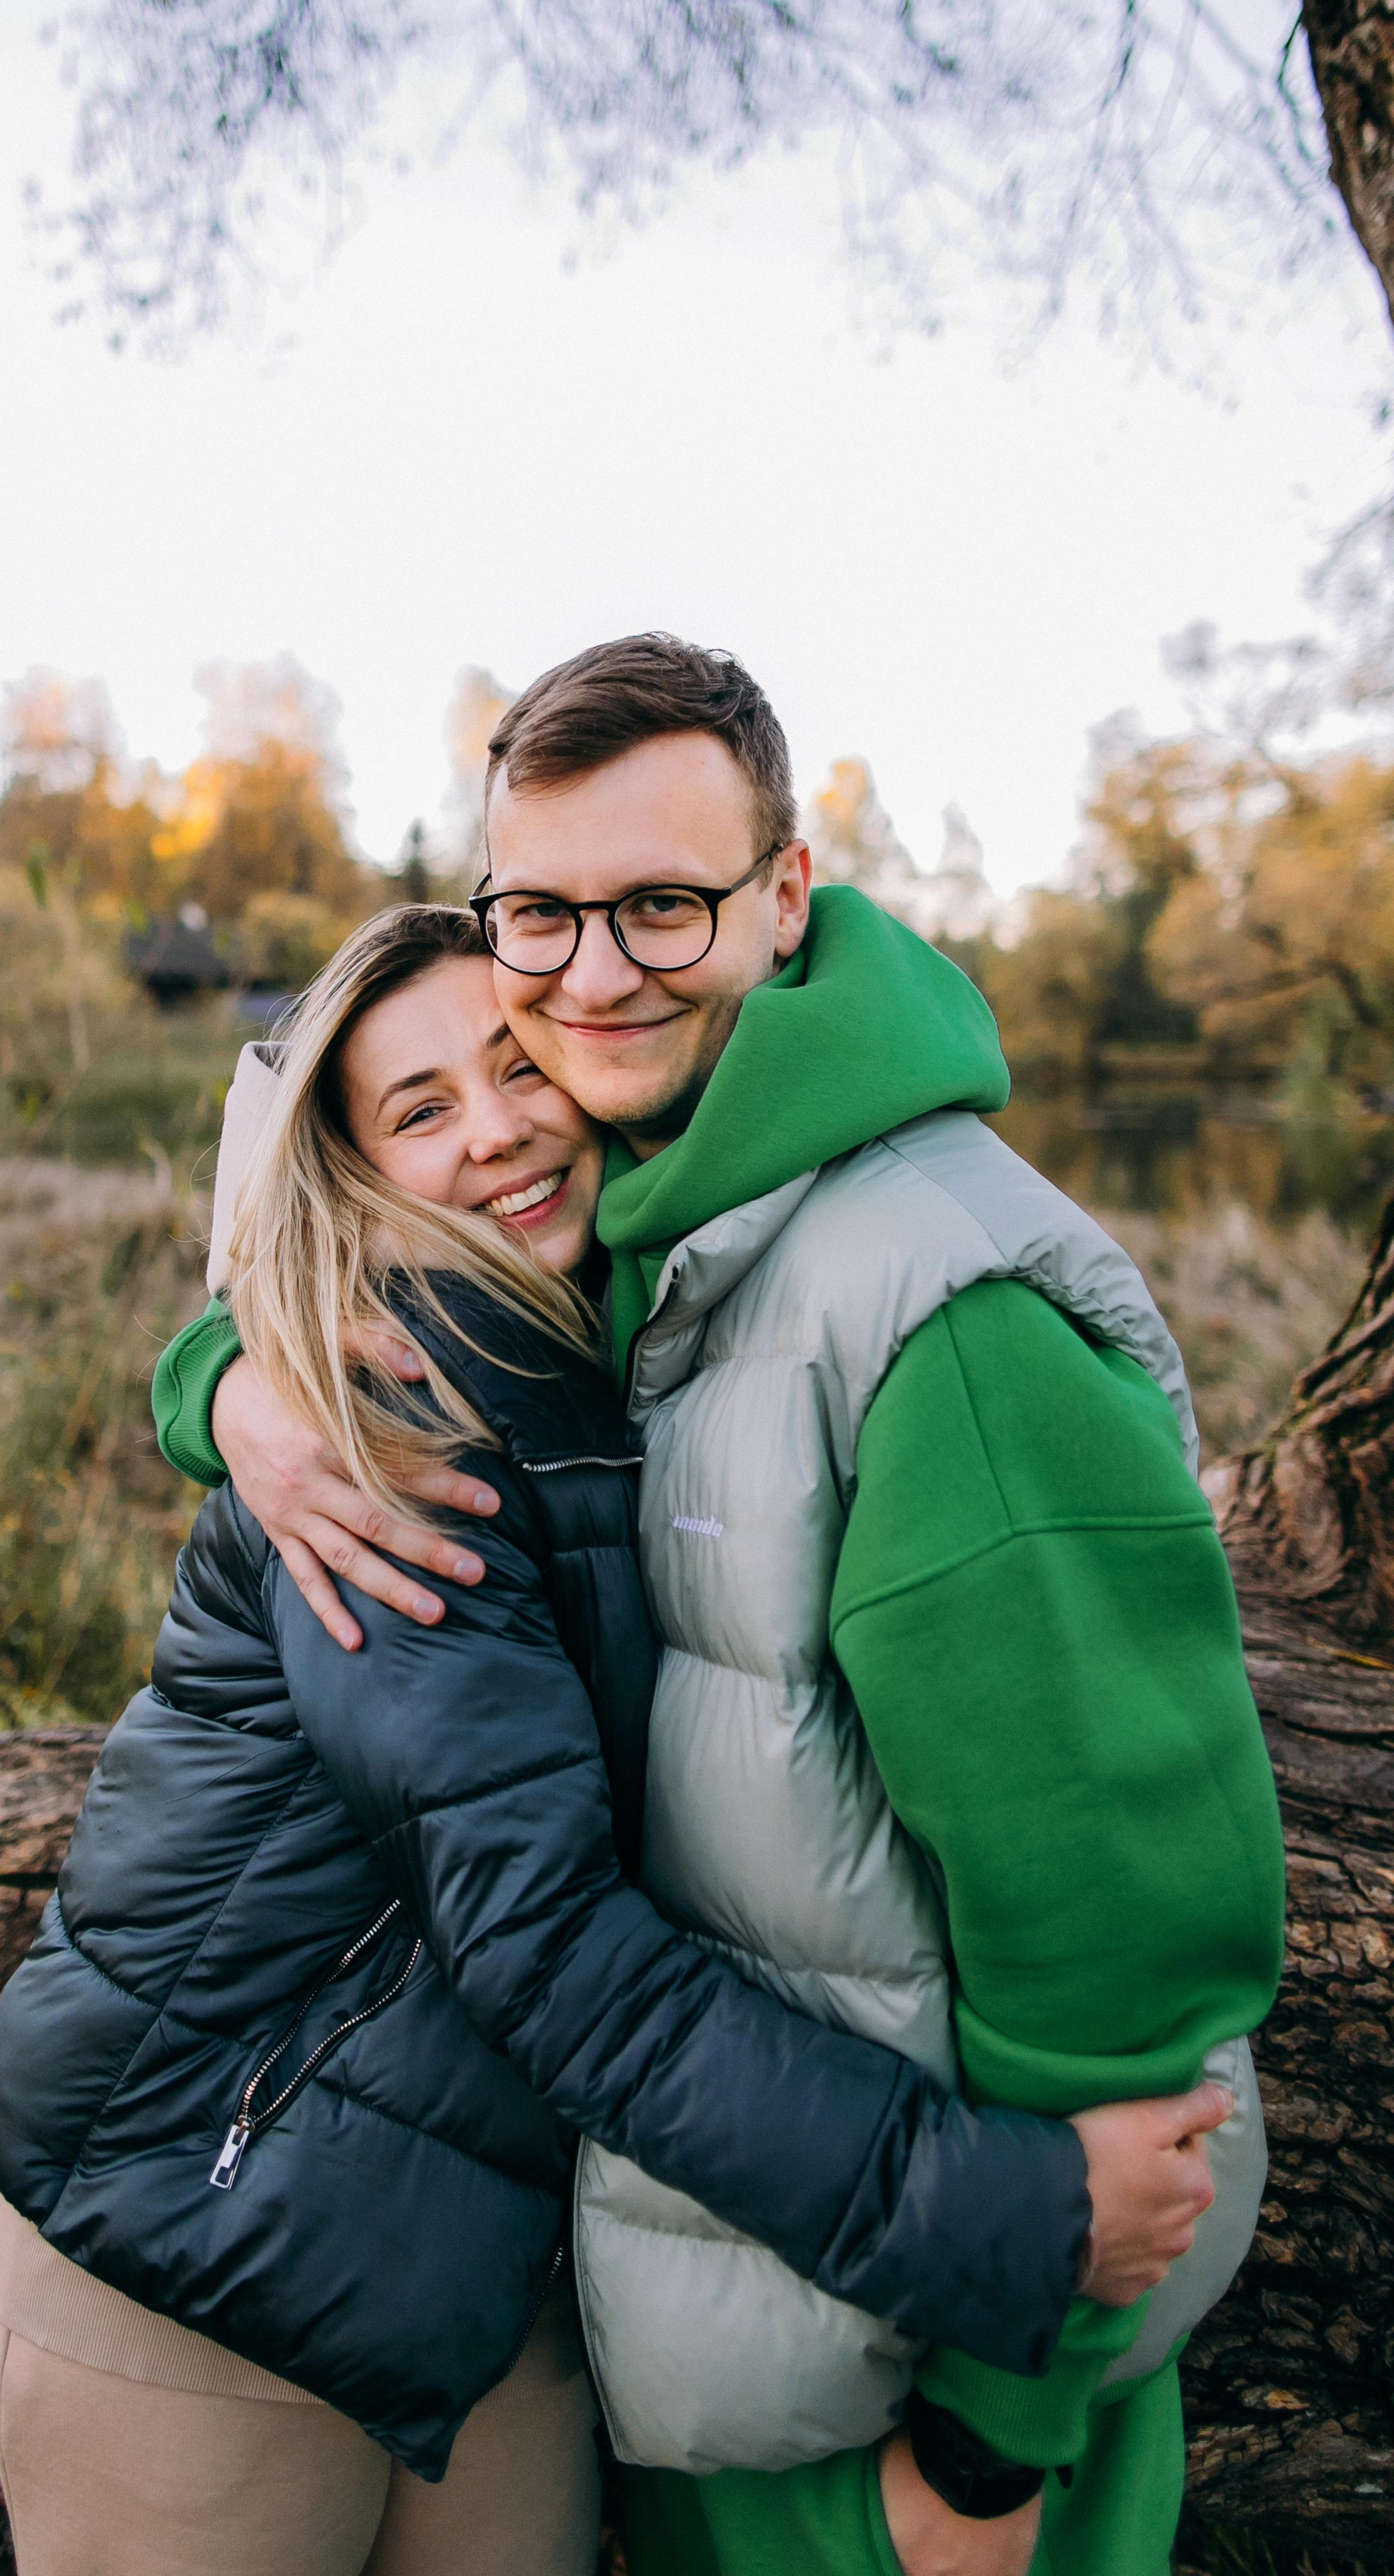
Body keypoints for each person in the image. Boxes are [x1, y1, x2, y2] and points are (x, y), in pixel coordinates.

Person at [155, 637, 1286, 2576]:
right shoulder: (655, 1232)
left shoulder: (943, 1308)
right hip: (731, 2333)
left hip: (926, 2400)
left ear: (785, 897)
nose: (591, 976)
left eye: (662, 904)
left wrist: (991, 2459)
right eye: (542, 913)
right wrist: (232, 1385)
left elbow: (1125, 1952)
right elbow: (369, 1273)